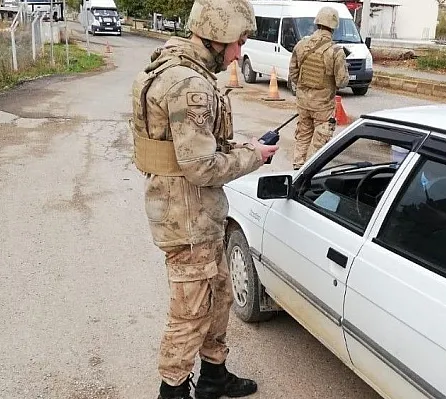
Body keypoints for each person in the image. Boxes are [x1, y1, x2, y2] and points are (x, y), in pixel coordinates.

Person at [129, 0, 279, 398]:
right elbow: (200, 168)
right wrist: (253, 156)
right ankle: (173, 391)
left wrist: (237, 145)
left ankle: (214, 377)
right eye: (239, 42)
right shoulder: (189, 84)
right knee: (190, 311)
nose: (239, 53)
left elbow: (191, 148)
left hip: (195, 212)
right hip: (188, 217)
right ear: (218, 35)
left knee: (218, 295)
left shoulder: (172, 67)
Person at [288, 6, 350, 170]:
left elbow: (293, 74)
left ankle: (297, 168)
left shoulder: (301, 45)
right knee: (319, 144)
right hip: (323, 106)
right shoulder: (336, 51)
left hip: (303, 102)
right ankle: (309, 174)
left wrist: (304, 88)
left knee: (303, 135)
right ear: (334, 26)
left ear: (317, 23)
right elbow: (342, 82)